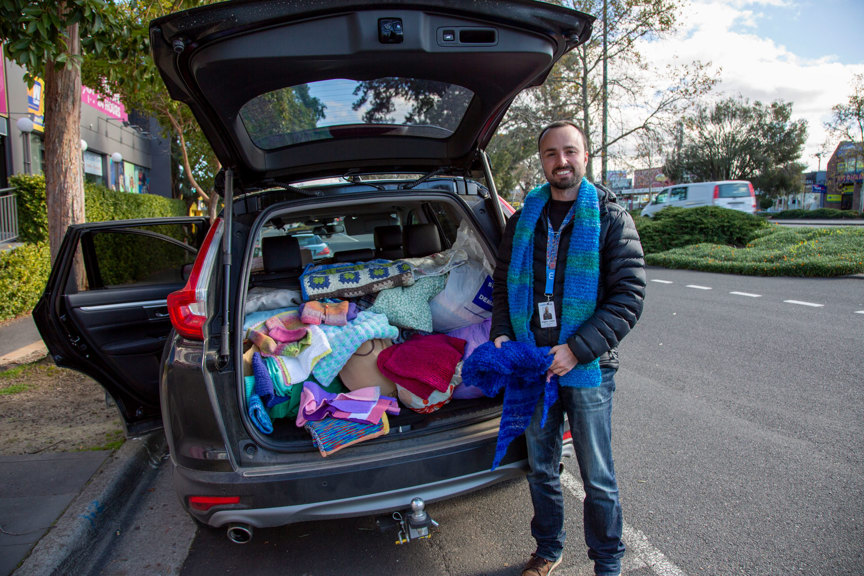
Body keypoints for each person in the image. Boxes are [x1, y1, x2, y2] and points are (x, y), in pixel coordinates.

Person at [490, 120, 646, 576]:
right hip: (534, 365)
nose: (562, 161)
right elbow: (503, 285)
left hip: (588, 365)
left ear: (584, 155)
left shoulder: (611, 217)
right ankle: (548, 550)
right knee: (541, 469)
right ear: (542, 161)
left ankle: (608, 562)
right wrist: (503, 333)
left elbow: (628, 296)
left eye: (570, 151)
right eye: (551, 153)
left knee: (597, 477)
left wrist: (577, 349)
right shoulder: (523, 220)